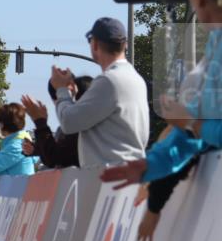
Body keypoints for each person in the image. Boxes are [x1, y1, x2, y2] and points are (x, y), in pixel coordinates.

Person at [100, 0, 222, 241]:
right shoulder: (214, 44)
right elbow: (189, 138)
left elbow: (194, 128)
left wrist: (192, 124)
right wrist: (151, 165)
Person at [52, 17, 150, 168]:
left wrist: (61, 89)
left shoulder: (108, 81)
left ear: (95, 44)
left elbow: (69, 122)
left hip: (110, 177)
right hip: (129, 171)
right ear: (125, 45)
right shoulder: (136, 79)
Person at [20, 76, 94, 169]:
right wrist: (36, 149)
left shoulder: (78, 129)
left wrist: (40, 122)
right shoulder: (103, 124)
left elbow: (56, 158)